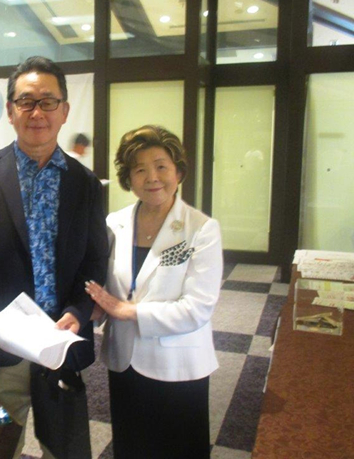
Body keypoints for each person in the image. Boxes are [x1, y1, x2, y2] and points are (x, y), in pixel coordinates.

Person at [0, 56, 108, 458]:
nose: (37, 112)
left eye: (48, 102)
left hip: (60, 340)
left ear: (64, 111)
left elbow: (94, 261)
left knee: (66, 449)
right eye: (26, 102)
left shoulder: (86, 184)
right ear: (10, 111)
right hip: (0, 348)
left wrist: (79, 309)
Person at [85, 125, 223, 459]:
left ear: (178, 171)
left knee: (177, 449)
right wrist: (94, 309)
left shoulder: (201, 228)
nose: (152, 178)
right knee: (131, 446)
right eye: (140, 170)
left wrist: (128, 311)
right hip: (124, 359)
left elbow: (197, 308)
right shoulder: (114, 223)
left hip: (177, 363)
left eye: (161, 166)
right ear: (128, 178)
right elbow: (106, 286)